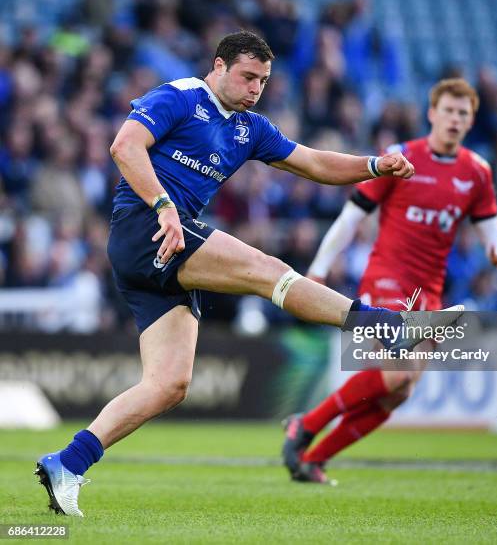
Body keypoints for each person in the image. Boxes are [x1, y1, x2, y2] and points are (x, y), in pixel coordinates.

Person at [34, 30, 428, 517]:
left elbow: (313, 163)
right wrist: (163, 206)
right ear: (218, 66)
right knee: (267, 270)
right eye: (247, 76)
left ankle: (66, 464)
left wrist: (374, 164)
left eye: (263, 80)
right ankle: (380, 326)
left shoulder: (251, 128)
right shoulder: (180, 97)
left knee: (169, 384)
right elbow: (124, 146)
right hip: (146, 228)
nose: (255, 87)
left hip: (166, 248)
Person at [282, 78, 497, 485]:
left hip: (429, 290)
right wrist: (318, 268)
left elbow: (492, 228)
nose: (455, 119)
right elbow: (351, 217)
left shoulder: (476, 172)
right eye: (449, 110)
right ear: (432, 113)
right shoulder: (402, 158)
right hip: (387, 278)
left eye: (464, 113)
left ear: (471, 120)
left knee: (399, 392)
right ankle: (305, 423)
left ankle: (313, 460)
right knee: (398, 374)